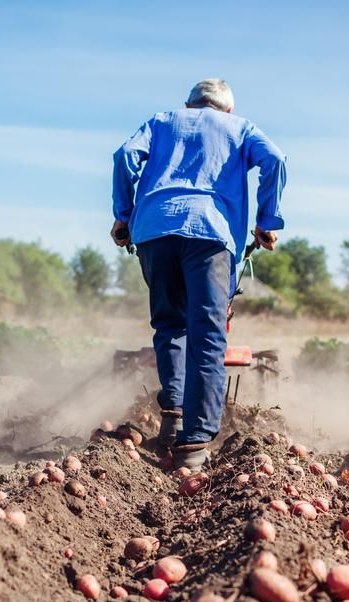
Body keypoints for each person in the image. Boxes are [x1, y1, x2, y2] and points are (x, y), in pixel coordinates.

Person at [110, 78, 287, 472]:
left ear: (189, 105)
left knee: (170, 324)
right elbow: (275, 160)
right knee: (207, 332)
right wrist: (267, 220)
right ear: (226, 109)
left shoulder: (162, 121)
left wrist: (123, 215)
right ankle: (194, 443)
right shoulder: (240, 127)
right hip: (210, 231)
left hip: (154, 228)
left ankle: (173, 418)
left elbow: (124, 156)